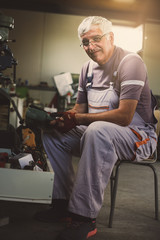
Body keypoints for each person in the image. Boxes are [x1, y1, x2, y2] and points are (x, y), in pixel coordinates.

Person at [34, 16, 158, 240]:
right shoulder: (87, 69)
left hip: (138, 137)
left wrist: (79, 119)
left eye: (96, 39)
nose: (90, 47)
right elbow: (79, 108)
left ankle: (84, 218)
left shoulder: (130, 63)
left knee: (97, 130)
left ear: (110, 37)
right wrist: (64, 119)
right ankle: (62, 204)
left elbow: (124, 116)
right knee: (54, 134)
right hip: (99, 133)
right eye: (85, 42)